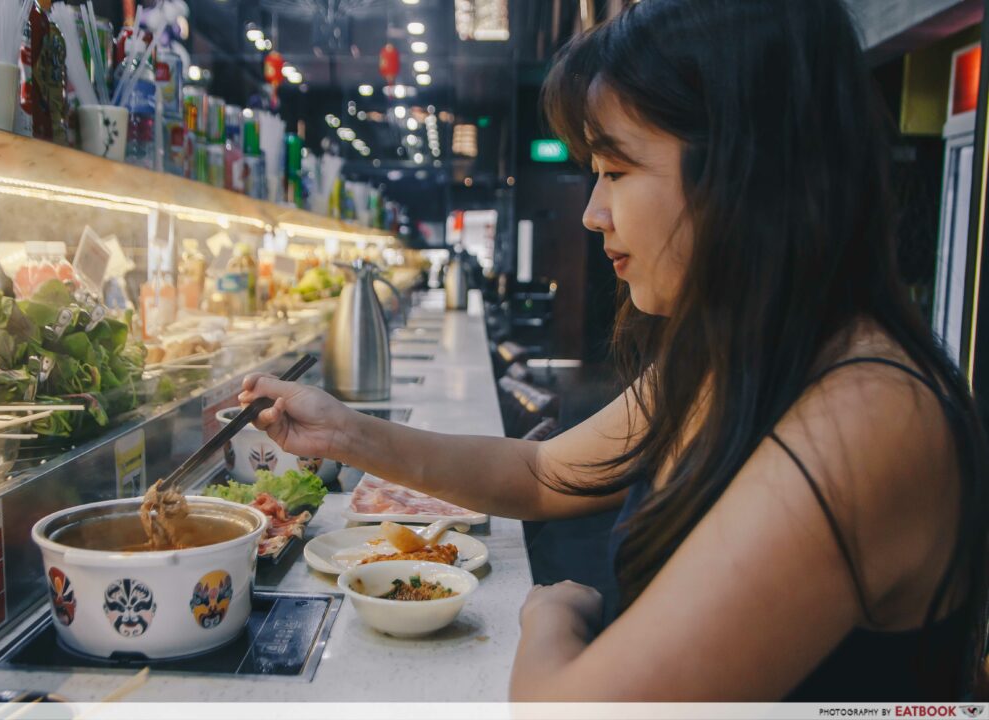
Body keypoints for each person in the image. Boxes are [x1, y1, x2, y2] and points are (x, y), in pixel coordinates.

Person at [239, 0, 988, 701]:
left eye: (617, 171)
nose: (594, 214)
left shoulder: (866, 418)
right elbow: (541, 473)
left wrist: (553, 618)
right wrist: (344, 431)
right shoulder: (738, 353)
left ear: (744, 171)